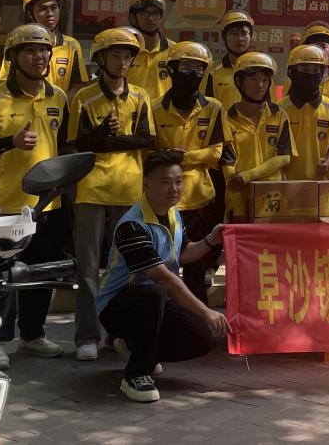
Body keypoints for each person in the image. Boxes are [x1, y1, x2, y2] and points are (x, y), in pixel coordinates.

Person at [0, 23, 73, 370]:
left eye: (44, 50)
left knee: (40, 275)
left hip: (47, 205)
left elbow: (65, 145)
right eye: (29, 50)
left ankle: (32, 335)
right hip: (4, 205)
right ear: (14, 57)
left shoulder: (58, 97)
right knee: (0, 277)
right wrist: (10, 142)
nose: (38, 56)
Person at [96, 150, 228, 403]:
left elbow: (183, 254)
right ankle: (136, 375)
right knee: (155, 291)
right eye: (166, 182)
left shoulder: (173, 214)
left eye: (178, 181)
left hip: (154, 302)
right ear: (147, 184)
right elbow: (163, 278)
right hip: (117, 307)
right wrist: (206, 312)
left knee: (202, 339)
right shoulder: (132, 225)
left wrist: (211, 240)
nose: (174, 189)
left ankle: (136, 347)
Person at [68, 28, 153, 361]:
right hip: (90, 189)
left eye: (128, 56)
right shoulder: (84, 97)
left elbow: (146, 140)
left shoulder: (141, 97)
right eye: (116, 55)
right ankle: (87, 336)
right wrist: (102, 135)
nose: (122, 62)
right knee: (88, 267)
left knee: (128, 267)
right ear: (100, 58)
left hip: (129, 188)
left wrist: (105, 140)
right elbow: (78, 143)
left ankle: (118, 333)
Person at [147, 41, 227, 304]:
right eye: (186, 67)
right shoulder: (154, 108)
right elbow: (148, 152)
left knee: (196, 270)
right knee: (161, 267)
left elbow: (216, 152)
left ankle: (198, 320)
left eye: (199, 68)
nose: (192, 73)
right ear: (171, 69)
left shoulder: (213, 108)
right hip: (163, 201)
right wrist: (168, 157)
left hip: (200, 198)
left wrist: (180, 157)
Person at [221, 53, 292, 222]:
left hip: (272, 199)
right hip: (239, 199)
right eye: (253, 79)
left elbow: (284, 157)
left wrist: (246, 176)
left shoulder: (279, 115)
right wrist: (238, 207)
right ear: (239, 81)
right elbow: (228, 165)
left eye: (265, 80)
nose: (260, 85)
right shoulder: (227, 118)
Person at [2, 0, 89, 99]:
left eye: (54, 7)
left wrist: (58, 105)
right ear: (30, 14)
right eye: (42, 9)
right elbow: (5, 82)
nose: (50, 13)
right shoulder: (16, 43)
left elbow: (78, 85)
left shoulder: (71, 45)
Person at [280, 44, 329, 180]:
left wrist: (327, 163)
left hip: (322, 185)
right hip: (287, 185)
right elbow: (273, 151)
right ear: (292, 72)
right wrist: (282, 178)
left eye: (315, 70)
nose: (310, 74)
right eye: (305, 69)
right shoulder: (280, 109)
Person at [202, 10, 260, 109]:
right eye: (234, 33)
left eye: (244, 33)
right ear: (224, 37)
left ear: (250, 36)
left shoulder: (260, 69)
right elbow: (204, 108)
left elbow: (269, 108)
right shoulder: (212, 72)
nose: (240, 39)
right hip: (221, 120)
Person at [282, 25, 329, 101]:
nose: (319, 51)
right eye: (315, 47)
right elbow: (286, 106)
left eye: (323, 47)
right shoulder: (293, 80)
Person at [125, 0, 172, 100]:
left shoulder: (175, 51)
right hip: (131, 110)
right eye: (144, 13)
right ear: (132, 17)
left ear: (161, 17)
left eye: (156, 14)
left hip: (163, 111)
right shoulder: (125, 51)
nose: (151, 18)